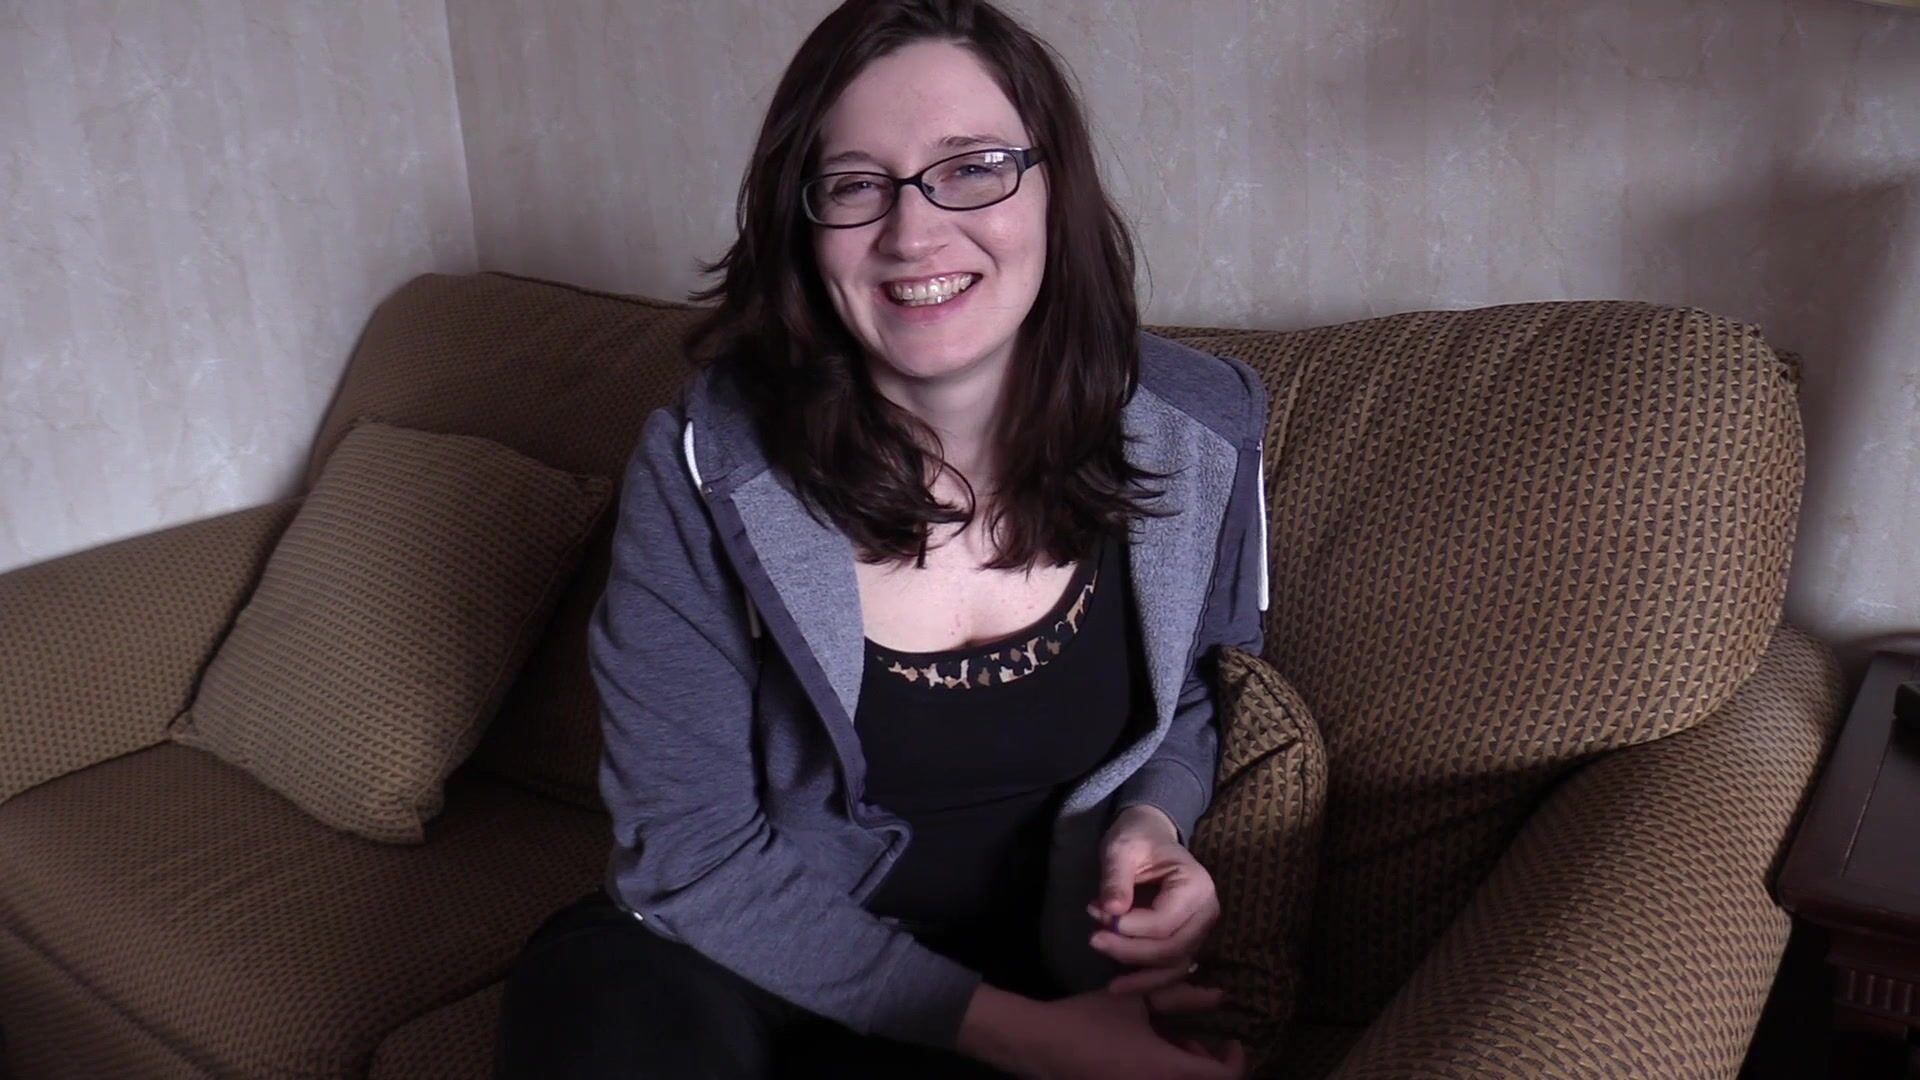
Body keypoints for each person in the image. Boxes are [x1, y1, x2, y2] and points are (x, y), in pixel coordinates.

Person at [495, 0, 1269, 1076]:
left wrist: (1154, 821)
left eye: (973, 168)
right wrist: (1032, 1040)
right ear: (802, 227)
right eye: (856, 186)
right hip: (747, 959)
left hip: (1041, 961)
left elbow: (1197, 695)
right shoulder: (705, 467)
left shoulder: (1202, 432)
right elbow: (691, 855)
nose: (912, 233)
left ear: (1056, 189)